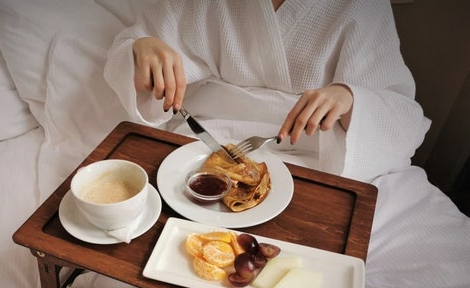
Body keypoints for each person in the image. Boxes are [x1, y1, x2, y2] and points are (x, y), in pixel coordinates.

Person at [104, 0, 430, 183]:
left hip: (329, 161)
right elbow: (137, 54)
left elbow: (399, 113)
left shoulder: (362, 6)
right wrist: (143, 46)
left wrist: (350, 98)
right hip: (206, 145)